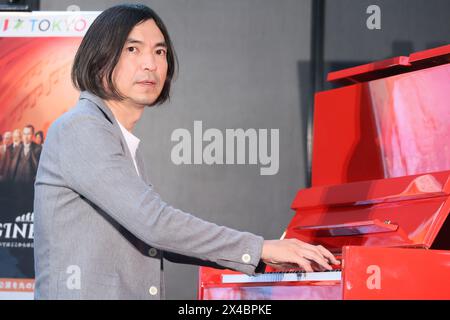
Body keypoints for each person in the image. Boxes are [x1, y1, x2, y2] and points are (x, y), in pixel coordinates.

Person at [34, 4, 339, 300]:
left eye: (160, 51)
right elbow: (153, 223)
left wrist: (260, 260)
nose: (150, 64)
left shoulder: (117, 136)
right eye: (132, 49)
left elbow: (155, 239)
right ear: (99, 59)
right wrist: (258, 248)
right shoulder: (81, 128)